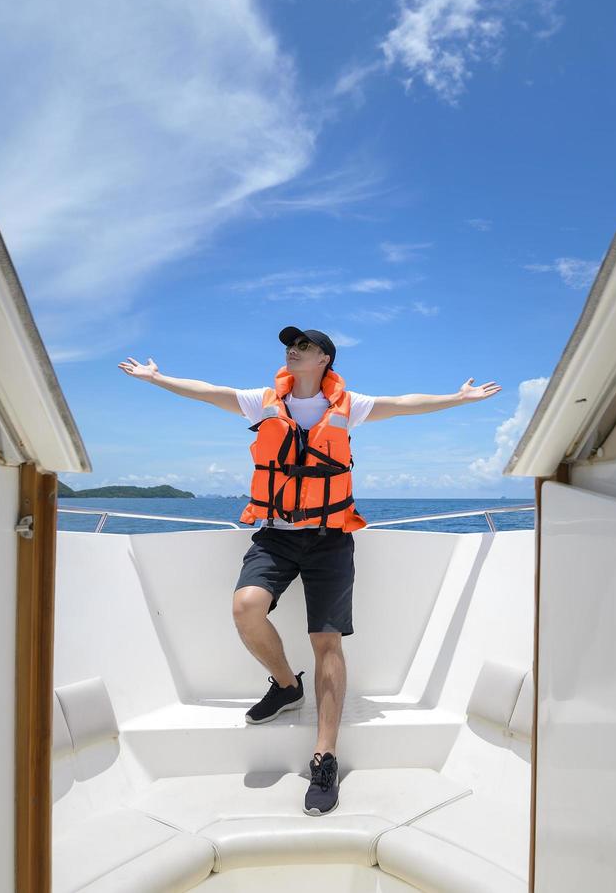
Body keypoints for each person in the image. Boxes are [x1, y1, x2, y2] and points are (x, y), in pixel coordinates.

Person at [118, 326, 501, 814]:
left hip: (329, 539)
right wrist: (157, 378)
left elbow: (405, 403)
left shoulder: (350, 405)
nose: (292, 351)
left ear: (324, 358)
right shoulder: (263, 401)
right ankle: (285, 685)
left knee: (327, 641)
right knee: (246, 607)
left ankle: (325, 758)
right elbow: (208, 393)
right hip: (276, 535)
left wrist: (458, 398)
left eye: (303, 346)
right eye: (289, 346)